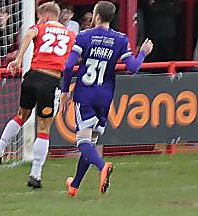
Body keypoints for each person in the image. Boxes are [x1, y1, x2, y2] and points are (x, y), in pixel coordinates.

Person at [60, 1, 153, 197]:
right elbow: (133, 67)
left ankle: (102, 166)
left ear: (96, 15)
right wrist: (143, 52)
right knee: (91, 143)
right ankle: (74, 185)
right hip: (105, 96)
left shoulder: (85, 36)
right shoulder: (120, 39)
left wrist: (65, 91)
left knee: (82, 141)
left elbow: (68, 67)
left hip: (85, 93)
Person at [0, 2, 75, 189]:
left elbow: (29, 33)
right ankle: (35, 175)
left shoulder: (40, 27)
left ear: (45, 16)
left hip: (32, 76)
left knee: (21, 115)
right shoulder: (70, 34)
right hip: (50, 80)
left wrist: (19, 59)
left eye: (39, 17)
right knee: (44, 128)